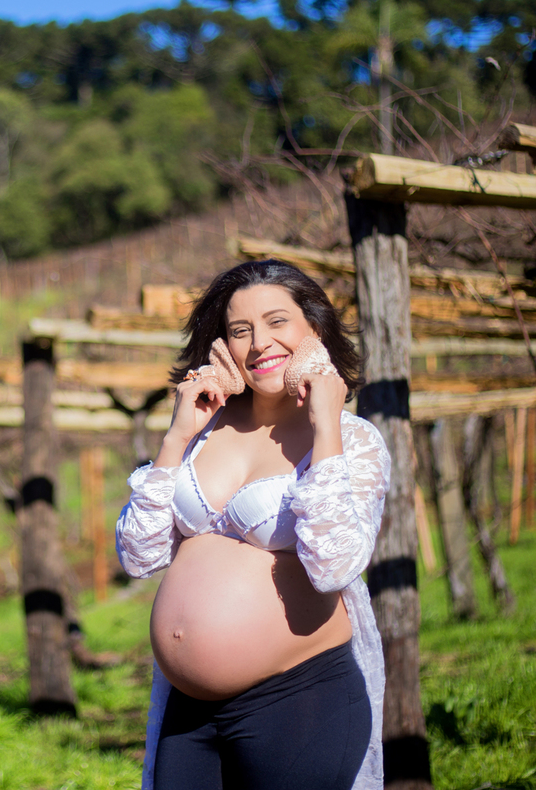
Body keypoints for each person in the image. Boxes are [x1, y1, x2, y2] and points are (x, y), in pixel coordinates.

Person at [116, 259, 390, 790]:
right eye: (240, 330)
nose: (259, 343)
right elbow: (138, 555)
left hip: (299, 699)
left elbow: (334, 565)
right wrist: (175, 438)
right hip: (189, 713)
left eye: (277, 322)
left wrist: (325, 427)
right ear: (223, 345)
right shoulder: (201, 431)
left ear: (315, 330)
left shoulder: (352, 439)